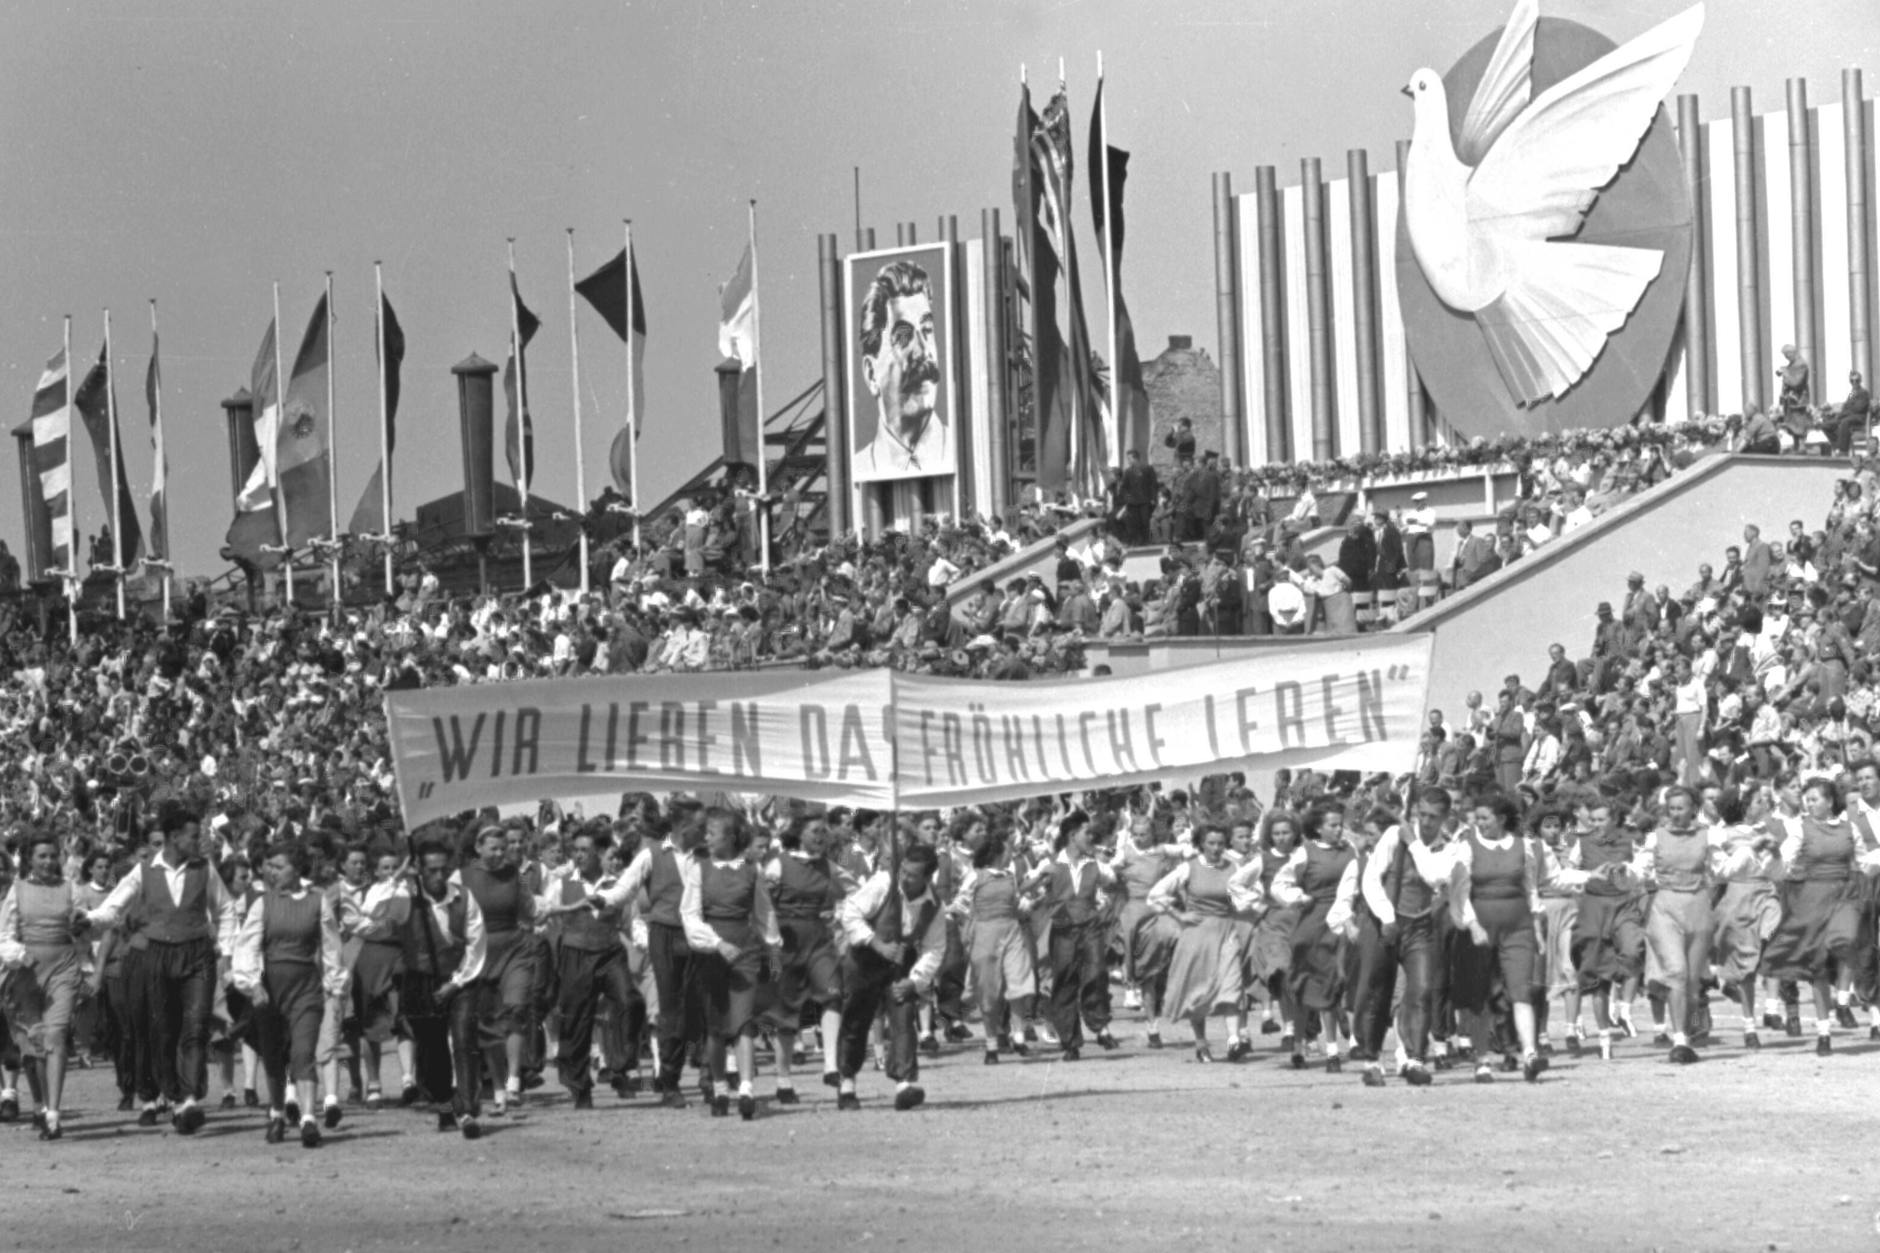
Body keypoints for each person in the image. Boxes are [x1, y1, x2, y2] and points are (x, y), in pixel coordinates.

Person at [81, 799, 240, 1134]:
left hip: (197, 955)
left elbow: (226, 910)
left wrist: (225, 952)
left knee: (195, 1026)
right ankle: (175, 1095)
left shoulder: (204, 869)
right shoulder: (143, 871)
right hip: (158, 956)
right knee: (163, 1029)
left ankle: (189, 1099)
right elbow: (114, 908)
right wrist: (88, 920)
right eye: (193, 837)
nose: (199, 843)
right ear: (173, 837)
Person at [230, 840, 346, 1148]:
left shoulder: (317, 902)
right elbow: (248, 947)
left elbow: (332, 947)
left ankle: (308, 1118)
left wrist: (335, 987)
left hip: (306, 987)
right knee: (273, 1056)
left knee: (303, 1052)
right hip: (269, 991)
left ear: (297, 870)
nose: (272, 872)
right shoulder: (263, 903)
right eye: (270, 866)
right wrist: (252, 984)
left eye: (279, 866)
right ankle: (278, 1113)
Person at [1759, 777, 1880, 1054]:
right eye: (1807, 799)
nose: (1809, 803)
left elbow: (1863, 862)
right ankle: (1823, 1032)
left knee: (1845, 939)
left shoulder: (1850, 827)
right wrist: (1774, 855)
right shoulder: (1801, 829)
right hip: (1811, 900)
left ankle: (1844, 996)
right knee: (1817, 967)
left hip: (1845, 895)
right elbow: (1784, 864)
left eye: (1814, 798)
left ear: (1829, 801)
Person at [680, 809, 781, 1120]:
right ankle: (721, 1087)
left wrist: (774, 949)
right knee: (716, 1026)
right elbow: (690, 915)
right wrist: (716, 944)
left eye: (713, 832)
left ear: (731, 837)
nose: (706, 837)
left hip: (745, 952)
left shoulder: (752, 871)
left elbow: (765, 914)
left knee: (743, 1021)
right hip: (711, 952)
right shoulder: (699, 869)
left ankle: (747, 1088)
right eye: (706, 832)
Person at [1349, 790, 1454, 1087]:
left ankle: (1415, 1059)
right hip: (1385, 922)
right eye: (1423, 814)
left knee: (1421, 990)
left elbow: (1434, 876)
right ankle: (1372, 1061)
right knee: (1377, 991)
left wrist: (1414, 843)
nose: (1427, 821)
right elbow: (1371, 878)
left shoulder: (1450, 846)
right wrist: (1386, 916)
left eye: (1434, 817)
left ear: (1445, 817)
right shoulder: (1394, 835)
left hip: (1420, 925)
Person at [833, 841, 947, 1111]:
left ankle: (904, 1084)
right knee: (856, 1020)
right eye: (903, 871)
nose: (905, 878)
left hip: (899, 964)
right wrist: (876, 943)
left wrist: (915, 980)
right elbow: (851, 913)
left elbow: (935, 948)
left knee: (903, 1015)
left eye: (912, 875)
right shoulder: (884, 882)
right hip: (865, 959)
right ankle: (847, 1082)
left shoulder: (935, 906)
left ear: (927, 878)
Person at [536, 824, 643, 1109]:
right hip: (576, 955)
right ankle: (580, 1085)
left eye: (585, 850)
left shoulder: (617, 884)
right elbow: (543, 912)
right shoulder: (562, 883)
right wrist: (567, 912)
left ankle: (621, 1065)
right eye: (576, 850)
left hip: (610, 953)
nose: (578, 855)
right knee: (577, 1020)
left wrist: (642, 942)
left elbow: (632, 920)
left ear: (598, 852)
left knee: (630, 1001)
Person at [1147, 824, 1263, 1062]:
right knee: (1197, 990)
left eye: (1221, 843)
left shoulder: (1235, 868)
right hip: (1196, 934)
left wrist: (1248, 905)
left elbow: (1252, 893)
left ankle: (1233, 1041)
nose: (1217, 848)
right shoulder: (1188, 868)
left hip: (1226, 930)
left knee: (1232, 982)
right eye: (1211, 843)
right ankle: (1201, 1043)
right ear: (1202, 844)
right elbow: (1157, 893)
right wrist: (1179, 915)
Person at [0, 830, 86, 1138]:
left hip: (63, 966)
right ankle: (41, 1104)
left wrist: (80, 924)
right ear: (30, 859)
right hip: (27, 972)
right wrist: (18, 955)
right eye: (42, 856)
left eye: (53, 855)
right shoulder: (18, 890)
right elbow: (5, 935)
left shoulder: (69, 887)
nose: (49, 861)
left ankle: (53, 1114)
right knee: (35, 1043)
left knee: (56, 1035)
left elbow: (83, 921)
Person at [452, 824, 537, 1115]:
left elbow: (529, 910)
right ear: (478, 847)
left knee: (516, 1007)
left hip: (514, 948)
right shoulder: (461, 877)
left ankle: (514, 1081)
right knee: (488, 1025)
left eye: (504, 848)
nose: (501, 853)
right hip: (480, 952)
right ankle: (498, 1089)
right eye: (494, 848)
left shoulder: (515, 874)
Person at [1022, 810, 1119, 1060]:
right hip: (1063, 929)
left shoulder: (1095, 864)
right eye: (1087, 832)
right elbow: (1024, 888)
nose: (1091, 836)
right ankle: (1070, 1041)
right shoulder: (1050, 863)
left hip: (1089, 926)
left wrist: (1103, 902)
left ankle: (1099, 1024)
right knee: (1065, 980)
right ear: (1072, 835)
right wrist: (1043, 880)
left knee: (1096, 972)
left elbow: (1113, 882)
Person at [761, 817, 846, 1095]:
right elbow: (761, 901)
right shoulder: (778, 864)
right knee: (786, 1012)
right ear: (799, 834)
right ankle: (783, 1079)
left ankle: (831, 1066)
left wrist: (840, 915)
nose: (821, 836)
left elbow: (856, 893)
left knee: (833, 993)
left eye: (824, 831)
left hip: (819, 938)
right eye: (815, 831)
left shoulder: (830, 867)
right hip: (786, 940)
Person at [948, 828, 1039, 1064]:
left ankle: (1019, 1037)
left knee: (1019, 982)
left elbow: (1016, 906)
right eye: (1007, 850)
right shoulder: (975, 877)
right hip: (985, 935)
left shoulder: (1010, 877)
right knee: (988, 992)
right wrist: (972, 921)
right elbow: (959, 904)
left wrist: (1032, 904)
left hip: (1011, 931)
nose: (1011, 854)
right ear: (997, 853)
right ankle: (991, 1045)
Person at [854, 259, 949, 479]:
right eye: (903, 336)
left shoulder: (960, 448)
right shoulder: (860, 468)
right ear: (870, 374)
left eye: (927, 330)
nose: (923, 351)